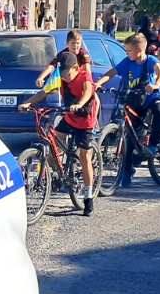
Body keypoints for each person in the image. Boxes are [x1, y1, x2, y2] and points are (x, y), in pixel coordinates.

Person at [20, 49, 100, 214]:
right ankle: (59, 173)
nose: (64, 77)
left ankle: (88, 196)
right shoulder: (60, 77)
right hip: (69, 117)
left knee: (84, 156)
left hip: (85, 120)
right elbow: (44, 92)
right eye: (62, 74)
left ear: (76, 68)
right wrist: (28, 103)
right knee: (53, 142)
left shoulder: (84, 76)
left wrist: (79, 104)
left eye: (67, 74)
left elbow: (88, 92)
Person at [96, 32, 160, 185]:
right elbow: (112, 73)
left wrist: (156, 85)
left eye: (129, 51)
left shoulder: (150, 60)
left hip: (151, 97)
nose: (126, 53)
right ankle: (127, 172)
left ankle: (154, 145)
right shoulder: (127, 62)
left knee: (159, 111)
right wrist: (99, 83)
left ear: (139, 50)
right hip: (134, 100)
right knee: (129, 137)